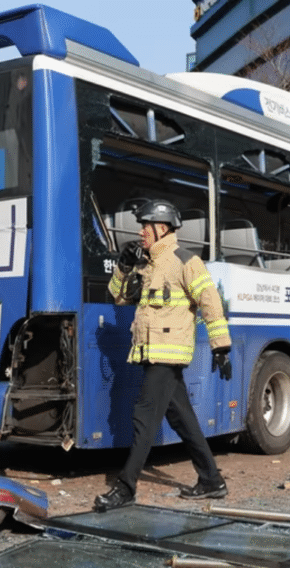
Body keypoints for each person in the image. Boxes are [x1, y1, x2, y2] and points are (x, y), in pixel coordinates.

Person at [95, 199, 233, 511]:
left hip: (168, 355)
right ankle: (212, 480)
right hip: (150, 352)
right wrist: (123, 266)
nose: (141, 232)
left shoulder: (186, 261)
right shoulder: (145, 264)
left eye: (146, 226)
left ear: (162, 228)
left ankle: (126, 487)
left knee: (144, 415)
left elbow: (210, 301)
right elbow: (118, 296)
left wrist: (220, 345)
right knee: (183, 419)